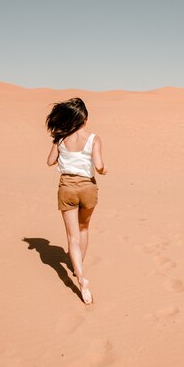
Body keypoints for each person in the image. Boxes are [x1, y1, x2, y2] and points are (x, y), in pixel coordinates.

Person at [45, 98, 107, 305]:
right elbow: (99, 166)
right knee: (83, 229)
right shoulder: (94, 139)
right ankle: (77, 266)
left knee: (72, 237)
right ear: (85, 119)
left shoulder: (60, 138)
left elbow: (49, 161)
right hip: (88, 187)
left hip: (67, 188)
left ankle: (81, 280)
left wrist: (58, 144)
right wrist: (104, 169)